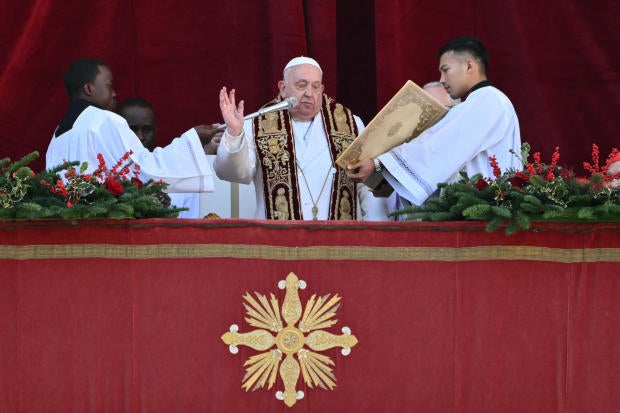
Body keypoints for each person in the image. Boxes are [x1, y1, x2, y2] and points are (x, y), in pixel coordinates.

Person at [347, 36, 521, 208]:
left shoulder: (488, 100)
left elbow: (436, 146)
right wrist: (393, 182)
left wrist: (379, 163)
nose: (442, 80)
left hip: (480, 215)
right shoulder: (482, 101)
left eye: (446, 70)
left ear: (469, 65)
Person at [214, 56, 389, 221]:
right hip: (279, 244)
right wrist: (235, 133)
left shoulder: (350, 123)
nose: (309, 93)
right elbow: (234, 173)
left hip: (339, 244)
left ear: (322, 89)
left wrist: (376, 237)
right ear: (283, 88)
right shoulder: (258, 123)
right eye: (301, 85)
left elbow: (366, 188)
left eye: (315, 86)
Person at [46, 58, 218, 196]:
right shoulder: (104, 120)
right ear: (89, 88)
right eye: (109, 85)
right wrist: (194, 139)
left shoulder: (57, 135)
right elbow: (144, 170)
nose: (114, 93)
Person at [117, 97, 221, 218]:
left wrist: (204, 157)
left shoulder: (182, 173)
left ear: (155, 130)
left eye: (146, 130)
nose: (140, 137)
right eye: (132, 129)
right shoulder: (106, 170)